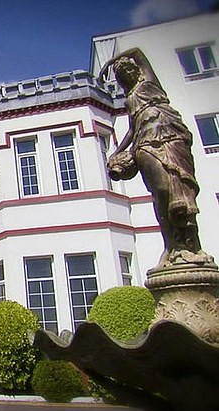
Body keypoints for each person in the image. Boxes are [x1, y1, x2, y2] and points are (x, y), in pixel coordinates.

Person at [100, 48, 212, 269]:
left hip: (172, 137)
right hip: (146, 143)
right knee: (161, 192)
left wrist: (109, 62)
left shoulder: (150, 85)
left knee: (183, 188)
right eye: (121, 76)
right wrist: (117, 151)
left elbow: (139, 53)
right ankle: (171, 246)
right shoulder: (131, 100)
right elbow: (133, 129)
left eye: (127, 71)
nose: (125, 76)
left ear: (136, 70)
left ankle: (191, 246)